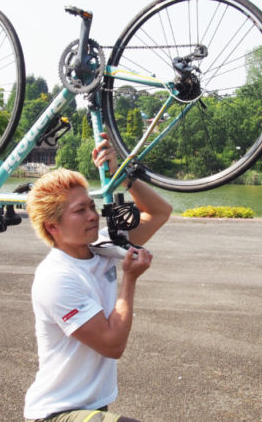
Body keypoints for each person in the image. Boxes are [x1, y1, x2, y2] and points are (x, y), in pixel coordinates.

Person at [23, 134, 172, 422]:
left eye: (91, 206)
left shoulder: (102, 246)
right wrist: (129, 280)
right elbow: (112, 343)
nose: (93, 215)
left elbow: (159, 212)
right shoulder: (56, 277)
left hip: (92, 407)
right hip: (55, 414)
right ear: (53, 226)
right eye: (80, 211)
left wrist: (122, 176)